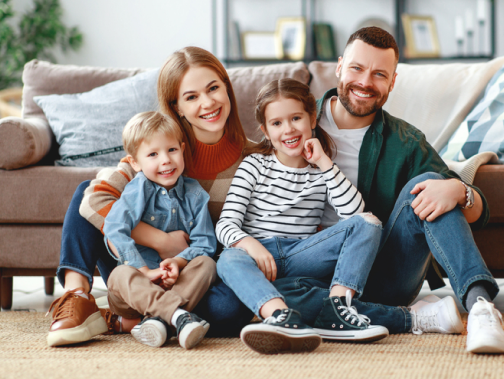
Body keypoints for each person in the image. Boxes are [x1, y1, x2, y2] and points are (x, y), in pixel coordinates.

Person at [272, 27, 504, 354]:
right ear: (339, 67)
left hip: (382, 275)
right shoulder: (294, 121)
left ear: (392, 82)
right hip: (306, 275)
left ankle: (481, 307)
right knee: (262, 294)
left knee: (426, 185)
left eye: (379, 74)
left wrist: (457, 190)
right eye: (357, 68)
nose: (365, 82)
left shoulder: (405, 141)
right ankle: (411, 317)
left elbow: (479, 212)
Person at [47, 47, 254, 347]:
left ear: (227, 89)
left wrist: (181, 260)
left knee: (229, 308)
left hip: (194, 274)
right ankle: (77, 296)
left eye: (213, 88)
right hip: (139, 267)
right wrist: (160, 240)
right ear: (178, 106)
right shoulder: (161, 145)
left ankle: (144, 319)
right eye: (191, 96)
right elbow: (94, 199)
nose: (208, 102)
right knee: (85, 190)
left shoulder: (254, 158)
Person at [215, 78, 388, 355]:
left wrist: (323, 162)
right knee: (228, 259)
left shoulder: (322, 170)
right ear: (265, 130)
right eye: (277, 123)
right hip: (256, 256)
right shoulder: (254, 165)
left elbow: (356, 215)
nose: (288, 129)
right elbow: (226, 224)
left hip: (301, 254)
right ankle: (282, 316)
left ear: (312, 119)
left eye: (296, 118)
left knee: (369, 223)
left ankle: (337, 308)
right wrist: (250, 245)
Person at [102, 110, 217, 350]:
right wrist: (143, 270)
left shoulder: (195, 194)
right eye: (153, 154)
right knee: (118, 275)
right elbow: (114, 227)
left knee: (207, 264)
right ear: (135, 162)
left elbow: (205, 244)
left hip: (177, 286)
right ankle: (177, 317)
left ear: (182, 149)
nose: (165, 160)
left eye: (171, 150)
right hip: (135, 294)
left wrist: (178, 262)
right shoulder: (138, 188)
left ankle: (157, 321)